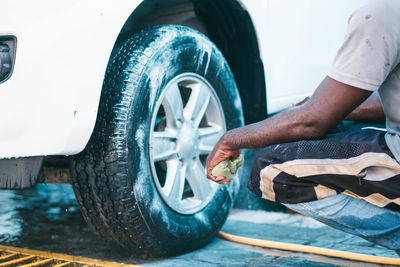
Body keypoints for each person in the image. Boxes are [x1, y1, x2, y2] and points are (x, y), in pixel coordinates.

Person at [206, 0, 400, 253]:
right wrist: (331, 104)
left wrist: (230, 139)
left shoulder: (384, 14)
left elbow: (311, 122)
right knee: (342, 125)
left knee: (273, 169)